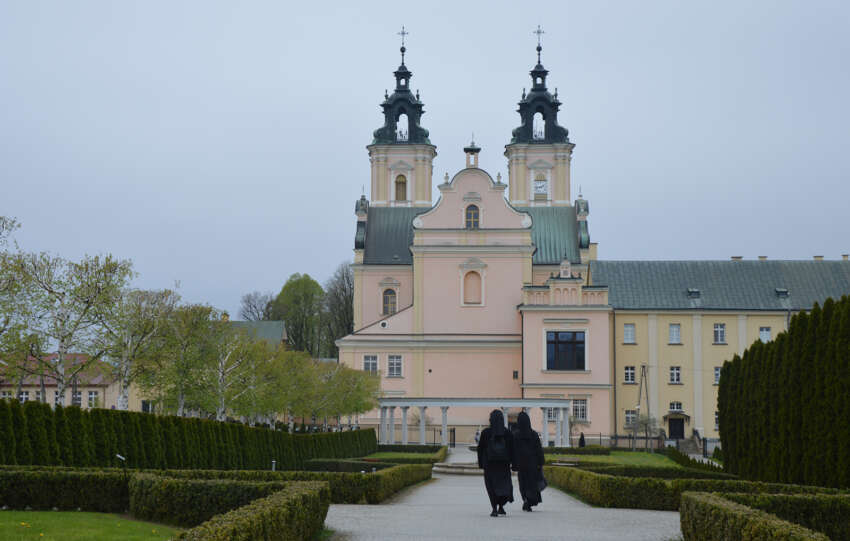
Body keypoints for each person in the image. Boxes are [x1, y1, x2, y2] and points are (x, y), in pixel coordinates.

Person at [477, 409, 515, 517]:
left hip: (490, 464)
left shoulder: (486, 433)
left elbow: (480, 449)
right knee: (504, 485)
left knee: (491, 486)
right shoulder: (507, 432)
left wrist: (481, 464)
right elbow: (512, 449)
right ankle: (501, 507)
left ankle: (494, 508)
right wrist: (513, 463)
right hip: (504, 464)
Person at [512, 411, 545, 511]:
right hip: (532, 463)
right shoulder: (534, 434)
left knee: (523, 483)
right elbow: (539, 449)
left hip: (521, 463)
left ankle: (526, 499)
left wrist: (514, 464)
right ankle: (530, 501)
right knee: (532, 483)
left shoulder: (516, 435)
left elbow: (513, 451)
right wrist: (541, 462)